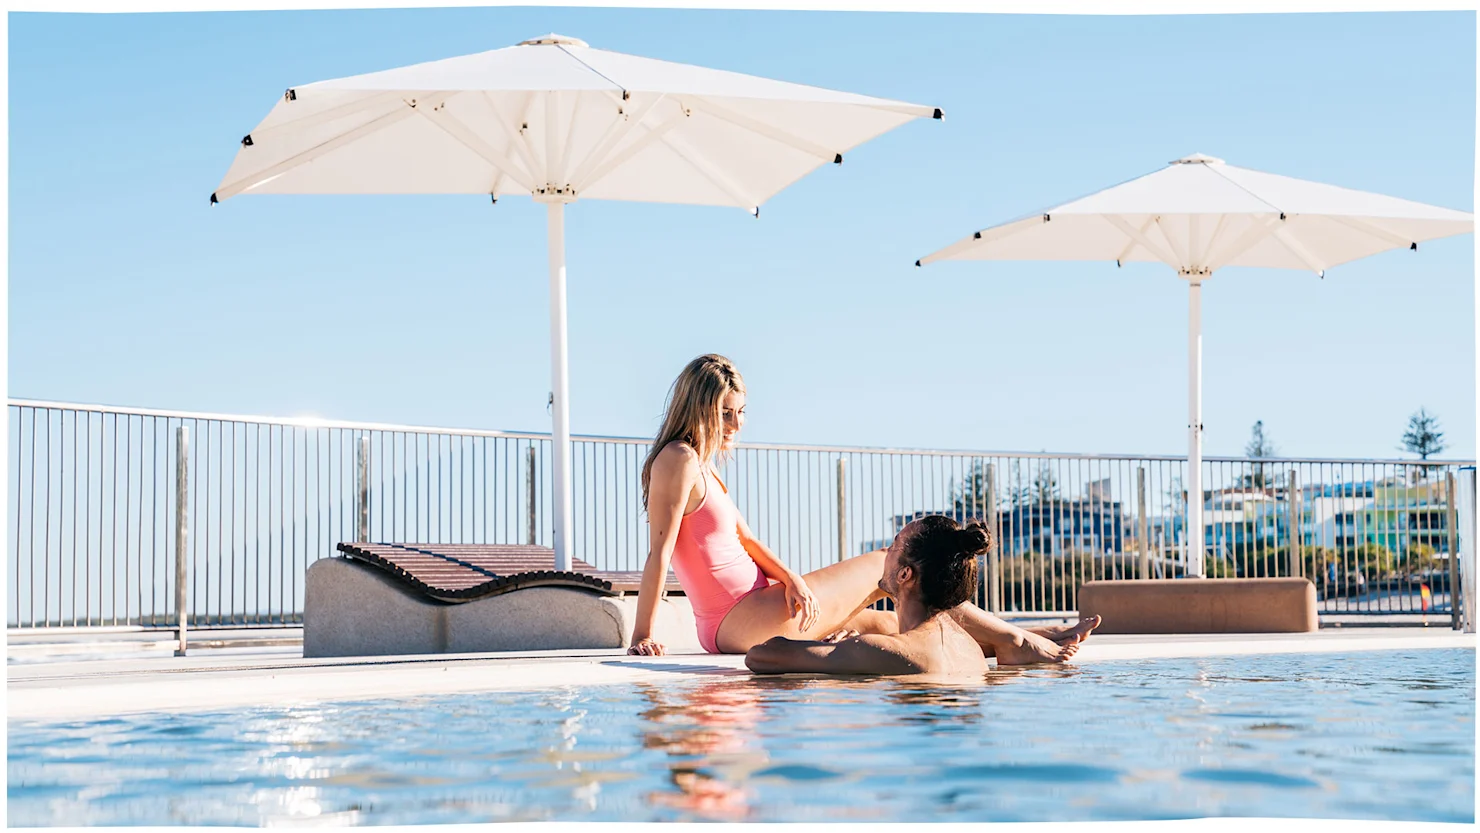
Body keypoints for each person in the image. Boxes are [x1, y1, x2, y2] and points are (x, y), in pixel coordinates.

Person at [627, 354, 1099, 664]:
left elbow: (746, 541)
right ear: (699, 408)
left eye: (741, 411)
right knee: (887, 566)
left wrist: (792, 579)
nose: (736, 423)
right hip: (737, 616)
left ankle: (1020, 636)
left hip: (755, 606)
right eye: (725, 413)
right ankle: (1018, 641)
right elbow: (660, 552)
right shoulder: (679, 459)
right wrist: (641, 635)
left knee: (890, 624)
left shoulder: (703, 465)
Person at [745, 516, 1035, 676]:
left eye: (894, 545)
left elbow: (761, 656)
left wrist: (846, 651)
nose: (885, 552)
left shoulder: (883, 650)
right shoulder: (968, 648)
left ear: (905, 575)